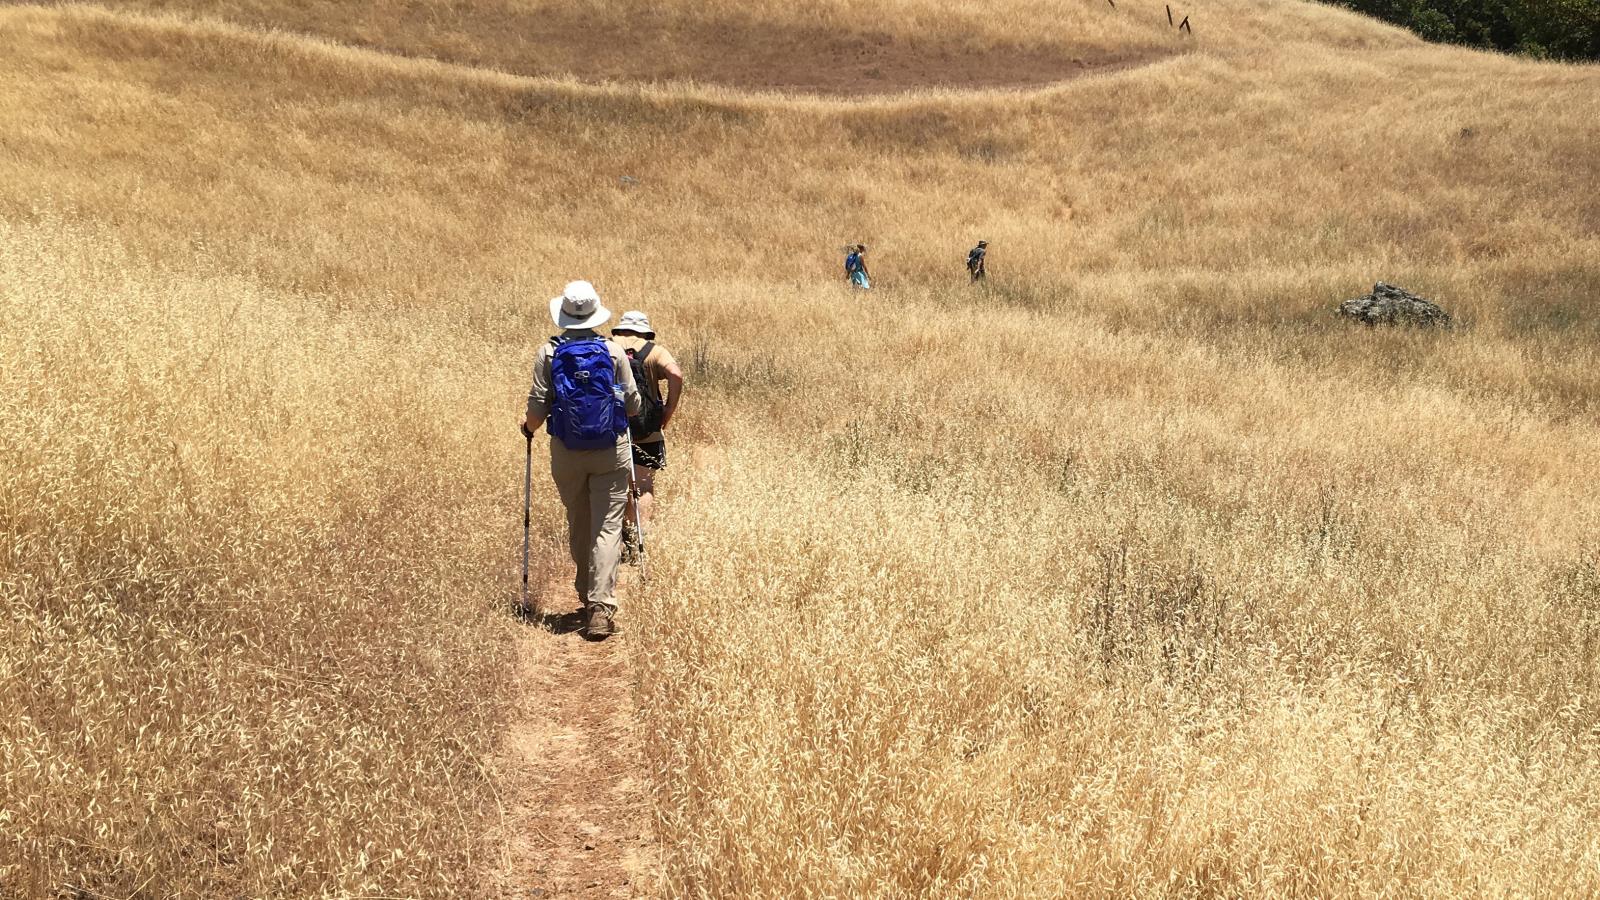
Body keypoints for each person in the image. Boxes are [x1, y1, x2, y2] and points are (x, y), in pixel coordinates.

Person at [522, 280, 641, 639]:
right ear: (595, 314)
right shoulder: (614, 352)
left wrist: (527, 428)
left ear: (564, 316)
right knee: (607, 527)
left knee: (579, 520)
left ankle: (584, 589)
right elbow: (632, 403)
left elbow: (537, 406)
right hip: (611, 449)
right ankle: (600, 606)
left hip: (566, 451)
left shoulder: (549, 353)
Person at [611, 311, 684, 558]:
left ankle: (620, 538)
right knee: (643, 484)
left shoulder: (608, 347)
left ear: (621, 329)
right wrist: (668, 410)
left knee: (617, 485)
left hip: (614, 428)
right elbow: (676, 374)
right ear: (644, 331)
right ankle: (638, 542)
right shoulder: (655, 351)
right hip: (647, 428)